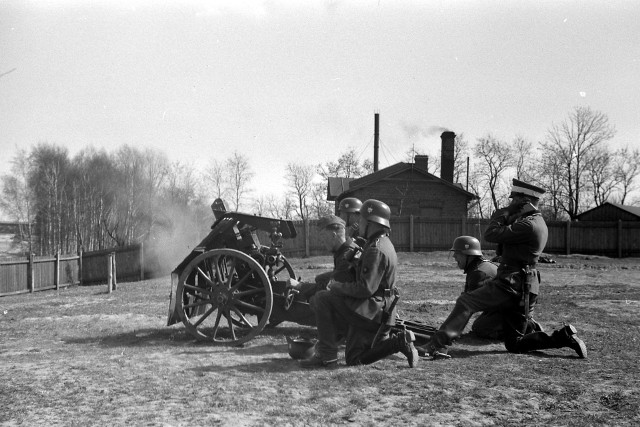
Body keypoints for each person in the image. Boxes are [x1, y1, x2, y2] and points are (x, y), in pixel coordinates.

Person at [421, 179, 587, 360]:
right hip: (525, 285)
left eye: (514, 200)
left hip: (512, 283)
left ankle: (435, 345)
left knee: (466, 302)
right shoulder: (535, 222)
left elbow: (491, 234)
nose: (510, 204)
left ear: (524, 201)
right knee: (514, 343)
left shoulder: (528, 224)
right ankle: (563, 337)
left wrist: (501, 214)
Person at [299, 199, 419, 369]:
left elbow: (365, 288)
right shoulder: (382, 243)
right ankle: (399, 342)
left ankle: (327, 355)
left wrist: (336, 286)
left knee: (322, 298)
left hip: (372, 312)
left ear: (372, 223)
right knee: (354, 359)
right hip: (380, 310)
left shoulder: (375, 249)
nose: (359, 224)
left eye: (362, 220)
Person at [287, 215, 359, 302]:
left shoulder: (347, 255)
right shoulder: (343, 250)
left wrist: (300, 286)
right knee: (320, 278)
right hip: (346, 290)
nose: (321, 241)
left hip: (350, 301)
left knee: (316, 299)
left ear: (333, 235)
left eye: (323, 236)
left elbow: (329, 287)